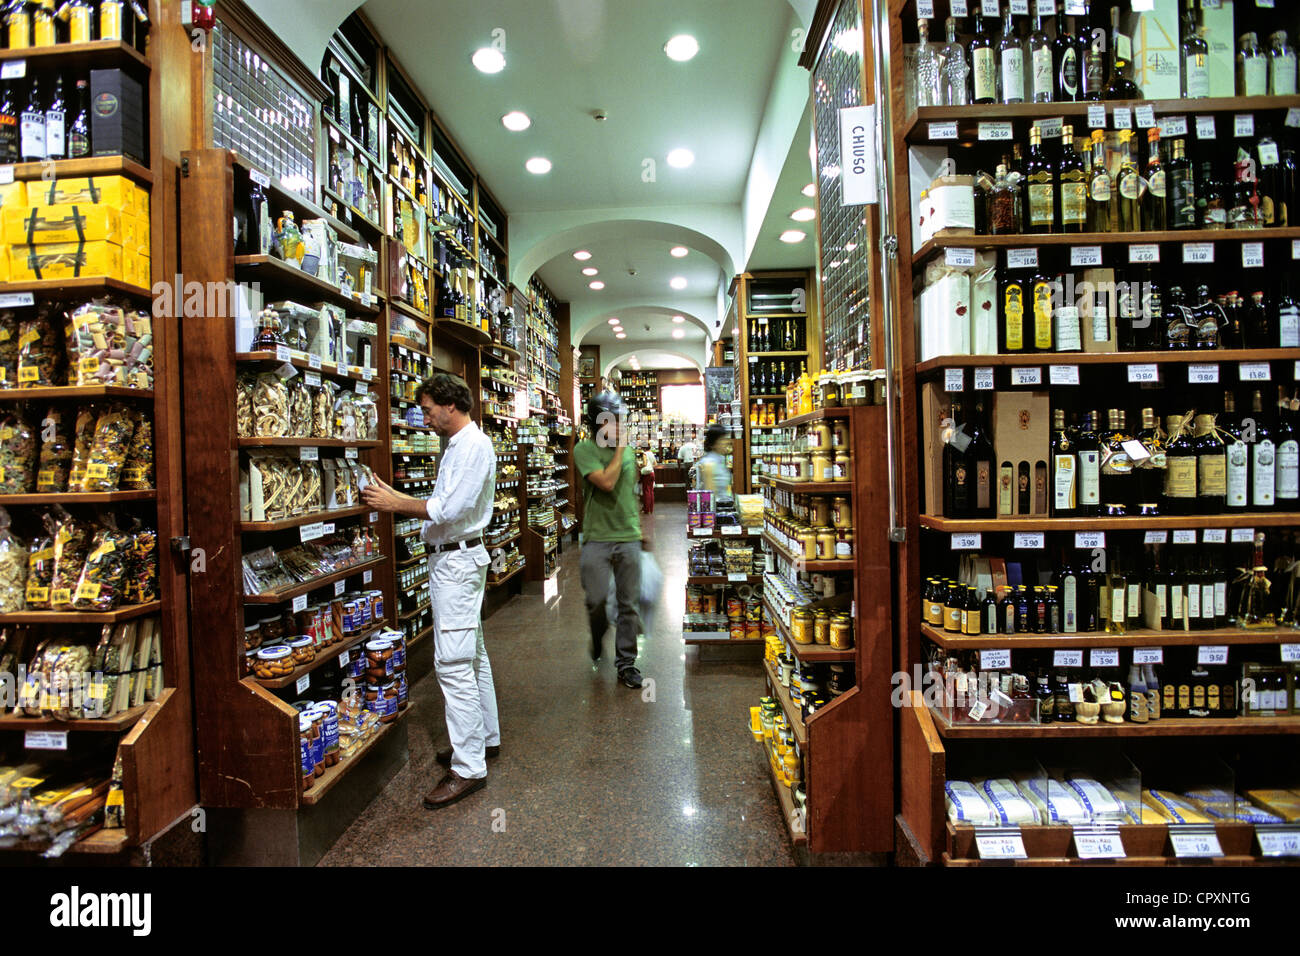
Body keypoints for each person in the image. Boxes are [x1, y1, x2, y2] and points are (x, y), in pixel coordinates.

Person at [361, 373, 500, 809]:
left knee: (452, 663)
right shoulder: (460, 446)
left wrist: (393, 503)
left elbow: (449, 508)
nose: (424, 418)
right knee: (472, 654)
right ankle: (484, 739)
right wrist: (398, 497)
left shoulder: (472, 447)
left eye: (427, 409)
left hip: (457, 564)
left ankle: (469, 767)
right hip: (456, 559)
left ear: (449, 406)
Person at [573, 390, 644, 688]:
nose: (617, 424)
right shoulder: (584, 450)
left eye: (619, 418)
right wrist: (620, 450)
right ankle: (597, 632)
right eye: (610, 419)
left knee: (628, 604)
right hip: (597, 538)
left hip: (628, 536)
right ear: (596, 422)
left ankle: (626, 663)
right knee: (597, 600)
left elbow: (631, 487)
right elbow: (607, 482)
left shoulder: (627, 452)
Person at [696, 424, 734, 509]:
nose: (726, 442)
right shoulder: (709, 463)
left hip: (725, 508)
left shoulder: (721, 459)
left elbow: (727, 487)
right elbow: (709, 497)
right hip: (715, 513)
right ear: (714, 443)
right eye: (722, 439)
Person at [638, 442, 657, 515]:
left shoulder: (645, 454)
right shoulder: (651, 453)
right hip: (652, 473)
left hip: (646, 474)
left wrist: (640, 465)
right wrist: (650, 466)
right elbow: (655, 464)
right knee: (651, 491)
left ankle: (646, 509)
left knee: (646, 491)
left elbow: (645, 463)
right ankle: (651, 509)